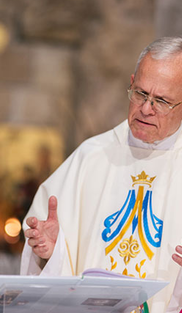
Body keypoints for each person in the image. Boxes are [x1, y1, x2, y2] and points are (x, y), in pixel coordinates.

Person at [21, 36, 182, 313]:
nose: (145, 108)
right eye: (140, 93)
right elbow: (45, 255)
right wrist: (50, 251)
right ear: (131, 83)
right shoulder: (90, 156)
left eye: (162, 101)